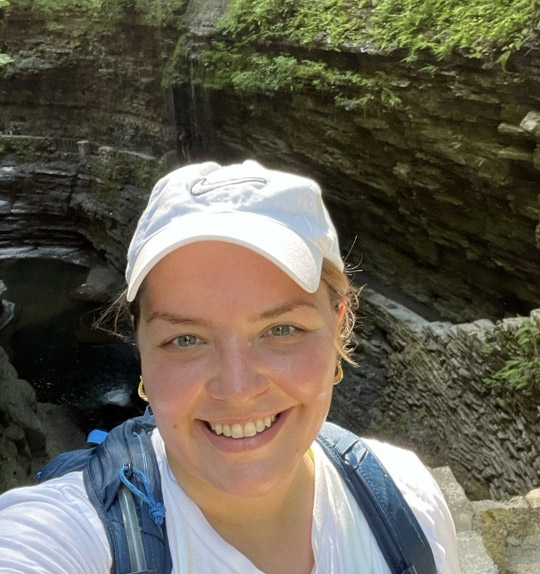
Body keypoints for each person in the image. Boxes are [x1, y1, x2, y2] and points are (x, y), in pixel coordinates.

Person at [0, 160, 460, 573]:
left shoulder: (408, 502)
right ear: (139, 345)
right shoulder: (67, 537)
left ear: (338, 326)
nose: (237, 389)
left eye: (281, 329)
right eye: (186, 339)